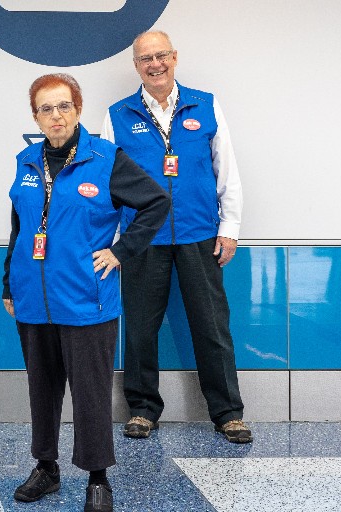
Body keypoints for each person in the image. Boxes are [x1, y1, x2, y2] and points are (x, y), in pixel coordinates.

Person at [3, 73, 169, 511]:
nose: (55, 115)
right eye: (45, 108)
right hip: (33, 299)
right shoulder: (25, 160)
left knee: (90, 392)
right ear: (35, 116)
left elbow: (156, 202)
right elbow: (20, 228)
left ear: (77, 108)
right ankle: (46, 466)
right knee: (42, 388)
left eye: (63, 106)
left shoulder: (106, 158)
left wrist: (121, 251)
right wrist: (9, 282)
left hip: (86, 300)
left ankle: (98, 477)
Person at [101, 30, 251, 443]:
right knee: (140, 330)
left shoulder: (206, 105)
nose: (155, 64)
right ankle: (143, 409)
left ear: (175, 57)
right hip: (141, 240)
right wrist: (115, 244)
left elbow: (227, 170)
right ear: (136, 66)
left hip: (199, 235)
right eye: (146, 59)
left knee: (212, 326)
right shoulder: (117, 115)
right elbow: (106, 183)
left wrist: (230, 229)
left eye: (161, 55)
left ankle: (228, 412)